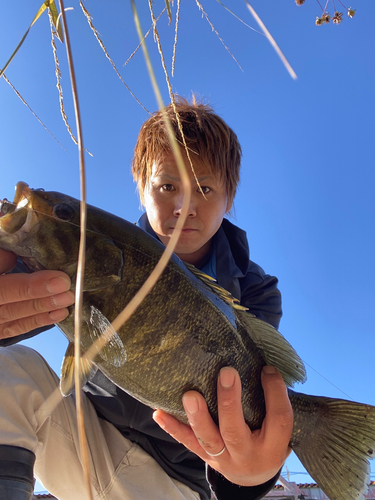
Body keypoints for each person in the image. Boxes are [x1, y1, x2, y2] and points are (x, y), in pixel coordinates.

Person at [0, 97, 293, 500]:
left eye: (204, 188)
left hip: (175, 481)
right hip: (82, 440)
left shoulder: (257, 290)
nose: (183, 206)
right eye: (167, 186)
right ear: (141, 188)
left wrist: (252, 476)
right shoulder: (86, 250)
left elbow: (251, 414)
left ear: (230, 199)